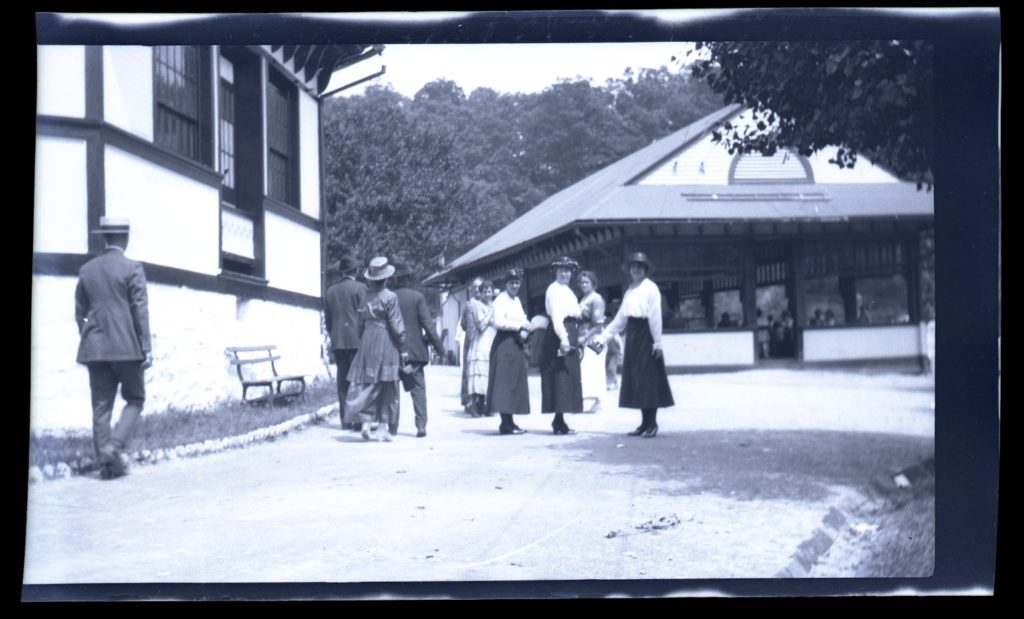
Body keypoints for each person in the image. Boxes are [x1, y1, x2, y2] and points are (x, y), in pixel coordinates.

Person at [75, 217, 153, 479]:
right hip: (127, 348)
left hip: (95, 349)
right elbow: (139, 310)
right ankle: (114, 445)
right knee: (135, 399)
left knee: (100, 406)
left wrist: (89, 335)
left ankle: (106, 467)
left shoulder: (86, 270)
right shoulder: (133, 268)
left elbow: (80, 313)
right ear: (126, 238)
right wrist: (146, 347)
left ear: (103, 238)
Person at [591, 253, 674, 437]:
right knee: (637, 380)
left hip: (647, 335)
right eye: (633, 266)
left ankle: (652, 423)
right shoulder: (630, 290)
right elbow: (621, 319)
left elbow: (655, 316)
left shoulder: (651, 288)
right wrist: (604, 336)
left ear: (645, 269)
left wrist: (657, 342)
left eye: (640, 266)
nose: (636, 269)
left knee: (649, 379)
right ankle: (644, 423)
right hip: (633, 335)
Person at [344, 257, 407, 442]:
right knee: (387, 384)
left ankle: (365, 422)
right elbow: (396, 324)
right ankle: (382, 427)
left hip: (367, 339)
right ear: (387, 278)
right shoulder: (390, 297)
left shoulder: (365, 296)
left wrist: (363, 339)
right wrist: (402, 344)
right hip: (386, 339)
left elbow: (359, 324)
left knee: (367, 382)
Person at [393, 266, 445, 438]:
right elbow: (428, 326)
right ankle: (421, 425)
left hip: (393, 350)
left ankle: (392, 425)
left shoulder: (389, 297)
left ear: (395, 280)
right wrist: (439, 348)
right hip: (415, 351)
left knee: (393, 389)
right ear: (410, 279)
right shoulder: (417, 297)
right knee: (418, 388)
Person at [539, 257, 584, 435]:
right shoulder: (554, 290)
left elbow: (576, 315)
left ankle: (560, 420)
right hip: (560, 333)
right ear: (556, 272)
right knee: (560, 376)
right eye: (562, 270)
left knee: (567, 376)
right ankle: (558, 421)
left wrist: (576, 339)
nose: (565, 274)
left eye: (568, 271)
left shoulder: (568, 291)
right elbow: (557, 317)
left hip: (571, 331)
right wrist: (564, 338)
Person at [486, 268, 532, 434]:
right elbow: (498, 322)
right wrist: (519, 326)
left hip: (516, 343)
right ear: (506, 284)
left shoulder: (516, 300)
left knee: (514, 382)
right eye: (512, 282)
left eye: (517, 282)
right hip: (504, 342)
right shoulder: (500, 300)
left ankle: (510, 421)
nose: (515, 285)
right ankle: (505, 423)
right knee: (504, 383)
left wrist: (527, 324)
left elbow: (522, 317)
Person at [324, 254, 367, 431]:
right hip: (356, 340)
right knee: (358, 380)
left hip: (338, 340)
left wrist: (334, 334)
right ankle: (357, 420)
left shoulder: (330, 291)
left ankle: (345, 420)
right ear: (354, 271)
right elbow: (363, 316)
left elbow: (328, 319)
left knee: (342, 380)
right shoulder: (360, 288)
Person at [577, 270, 606, 413]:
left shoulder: (596, 299)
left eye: (586, 282)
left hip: (595, 338)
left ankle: (599, 400)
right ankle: (588, 400)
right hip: (583, 337)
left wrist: (585, 337)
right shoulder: (583, 299)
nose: (584, 285)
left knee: (593, 367)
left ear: (593, 283)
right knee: (586, 369)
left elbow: (598, 323)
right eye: (582, 282)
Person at [466, 280, 497, 417]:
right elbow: (481, 325)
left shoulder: (494, 305)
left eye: (490, 291)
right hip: (481, 341)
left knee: (488, 372)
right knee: (479, 372)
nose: (487, 294)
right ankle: (474, 404)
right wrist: (490, 314)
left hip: (491, 339)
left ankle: (486, 404)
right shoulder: (477, 306)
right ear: (481, 293)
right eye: (485, 291)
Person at [459, 279, 484, 415]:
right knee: (469, 371)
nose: (477, 289)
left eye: (479, 286)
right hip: (471, 340)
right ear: (470, 289)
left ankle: (482, 401)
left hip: (484, 340)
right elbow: (463, 324)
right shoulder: (468, 305)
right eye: (474, 287)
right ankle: (469, 401)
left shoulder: (486, 303)